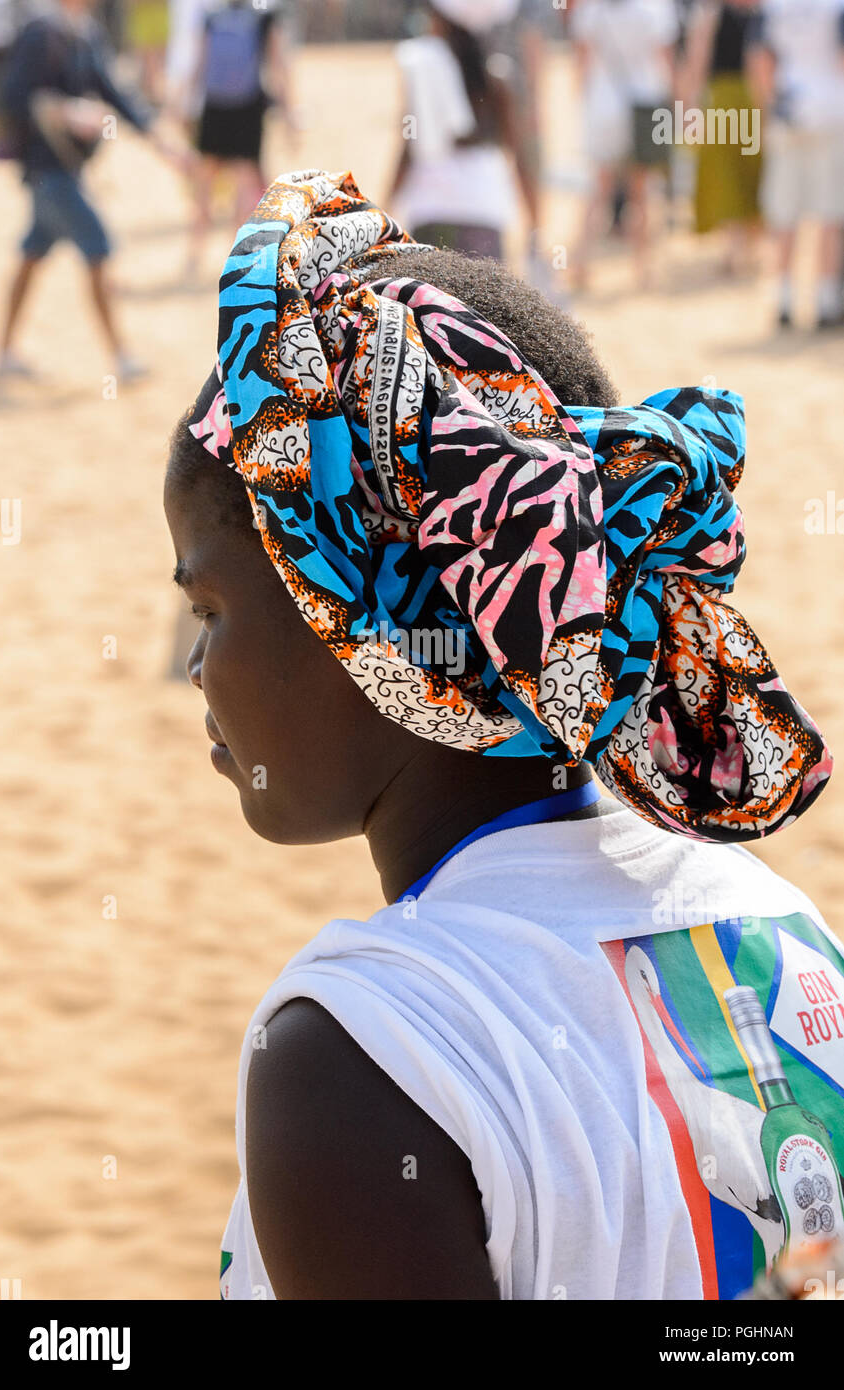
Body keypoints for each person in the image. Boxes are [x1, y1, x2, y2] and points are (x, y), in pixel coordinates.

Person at [165, 170, 839, 1301]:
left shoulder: (363, 1055)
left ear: (367, 631)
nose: (196, 667)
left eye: (210, 611)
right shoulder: (785, 933)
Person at [0, 0, 178, 381]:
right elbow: (10, 97)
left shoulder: (86, 34)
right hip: (46, 173)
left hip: (68, 171)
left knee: (32, 254)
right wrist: (64, 110)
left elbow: (116, 94)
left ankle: (5, 352)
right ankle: (122, 358)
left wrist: (161, 142)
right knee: (98, 246)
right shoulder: (39, 34)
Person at [387, 0, 541, 262]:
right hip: (484, 207)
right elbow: (521, 155)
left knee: (432, 301)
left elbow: (409, 149)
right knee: (483, 302)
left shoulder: (421, 67)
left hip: (430, 208)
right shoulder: (498, 75)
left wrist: (385, 208)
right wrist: (536, 222)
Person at [747, 0, 844, 329]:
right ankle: (826, 301)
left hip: (788, 108)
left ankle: (784, 300)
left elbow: (760, 62)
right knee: (829, 213)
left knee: (785, 215)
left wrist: (770, 106)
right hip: (831, 110)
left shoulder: (774, 7)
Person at [570, 0, 679, 290]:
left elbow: (581, 64)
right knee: (641, 193)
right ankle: (643, 269)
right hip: (645, 105)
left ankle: (580, 265)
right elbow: (665, 60)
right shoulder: (656, 10)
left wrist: (585, 104)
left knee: (599, 191)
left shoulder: (589, 11)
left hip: (603, 106)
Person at [183, 0, 292, 279]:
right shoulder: (265, 16)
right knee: (244, 187)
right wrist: (289, 113)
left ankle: (194, 257)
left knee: (204, 185)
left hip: (214, 108)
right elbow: (278, 67)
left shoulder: (213, 16)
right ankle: (236, 260)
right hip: (248, 109)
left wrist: (183, 103)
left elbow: (199, 63)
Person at [680, 0, 762, 273]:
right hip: (737, 100)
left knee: (740, 175)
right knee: (735, 175)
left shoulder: (720, 12)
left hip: (736, 100)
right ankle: (739, 248)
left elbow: (696, 58)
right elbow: (698, 58)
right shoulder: (719, 12)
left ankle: (740, 248)